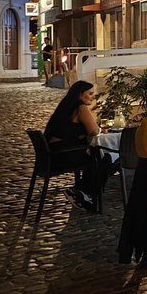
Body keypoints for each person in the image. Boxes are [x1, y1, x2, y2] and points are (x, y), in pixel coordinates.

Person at [43, 80, 108, 211]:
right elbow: (94, 131)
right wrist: (100, 130)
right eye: (90, 94)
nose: (92, 96)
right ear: (80, 95)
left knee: (95, 154)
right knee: (104, 158)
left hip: (52, 155)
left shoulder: (66, 107)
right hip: (62, 156)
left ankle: (82, 191)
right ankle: (84, 192)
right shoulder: (80, 108)